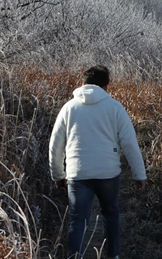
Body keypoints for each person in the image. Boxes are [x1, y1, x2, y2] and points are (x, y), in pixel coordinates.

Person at [49, 65, 147, 259]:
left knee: (78, 220)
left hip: (78, 173)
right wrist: (139, 175)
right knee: (111, 215)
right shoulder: (115, 107)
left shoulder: (69, 107)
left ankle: (74, 257)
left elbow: (55, 144)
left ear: (82, 82)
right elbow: (129, 143)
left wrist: (58, 175)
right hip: (108, 173)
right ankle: (113, 256)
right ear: (106, 85)